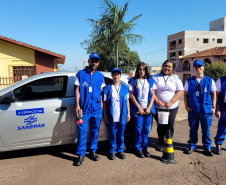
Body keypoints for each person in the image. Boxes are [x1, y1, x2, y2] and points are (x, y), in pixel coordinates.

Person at [74, 53, 106, 166]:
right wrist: (77, 104)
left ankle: (92, 151)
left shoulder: (100, 76)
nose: (94, 63)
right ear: (89, 61)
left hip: (96, 109)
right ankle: (81, 154)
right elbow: (77, 89)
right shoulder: (80, 74)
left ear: (98, 63)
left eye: (96, 61)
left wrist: (101, 105)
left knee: (94, 131)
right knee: (81, 132)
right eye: (92, 61)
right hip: (83, 109)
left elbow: (101, 92)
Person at [184, 60, 216, 156]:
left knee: (206, 129)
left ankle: (207, 147)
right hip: (193, 109)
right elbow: (185, 95)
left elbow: (214, 94)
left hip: (206, 109)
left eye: (200, 66)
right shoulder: (189, 81)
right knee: (193, 128)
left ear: (203, 68)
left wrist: (213, 107)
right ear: (194, 69)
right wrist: (186, 106)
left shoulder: (209, 80)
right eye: (196, 67)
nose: (198, 68)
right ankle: (192, 146)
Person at [152, 60, 184, 152]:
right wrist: (157, 101)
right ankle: (161, 143)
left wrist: (171, 102)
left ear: (172, 68)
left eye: (169, 67)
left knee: (169, 124)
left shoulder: (175, 78)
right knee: (161, 125)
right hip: (158, 107)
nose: (167, 68)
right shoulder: (155, 77)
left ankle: (168, 142)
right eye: (165, 66)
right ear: (162, 66)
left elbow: (180, 91)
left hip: (172, 107)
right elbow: (152, 91)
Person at [129, 62, 156, 158]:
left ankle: (145, 148)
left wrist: (149, 107)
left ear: (146, 70)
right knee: (138, 129)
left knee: (146, 130)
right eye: (140, 69)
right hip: (138, 109)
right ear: (137, 70)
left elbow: (153, 95)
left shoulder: (150, 80)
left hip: (148, 109)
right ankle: (138, 148)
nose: (142, 71)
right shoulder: (133, 80)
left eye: (144, 69)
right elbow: (131, 95)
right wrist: (139, 107)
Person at [103, 68, 130, 160]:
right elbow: (105, 103)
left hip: (122, 115)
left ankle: (120, 151)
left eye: (118, 75)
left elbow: (127, 102)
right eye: (114, 75)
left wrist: (128, 114)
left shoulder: (125, 88)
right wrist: (105, 115)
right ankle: (112, 151)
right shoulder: (107, 88)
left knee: (121, 134)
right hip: (112, 115)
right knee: (112, 134)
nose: (116, 76)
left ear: (120, 76)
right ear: (112, 76)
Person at [214, 75, 226, 154]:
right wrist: (217, 109)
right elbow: (216, 95)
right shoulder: (221, 80)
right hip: (224, 106)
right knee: (222, 126)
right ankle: (218, 144)